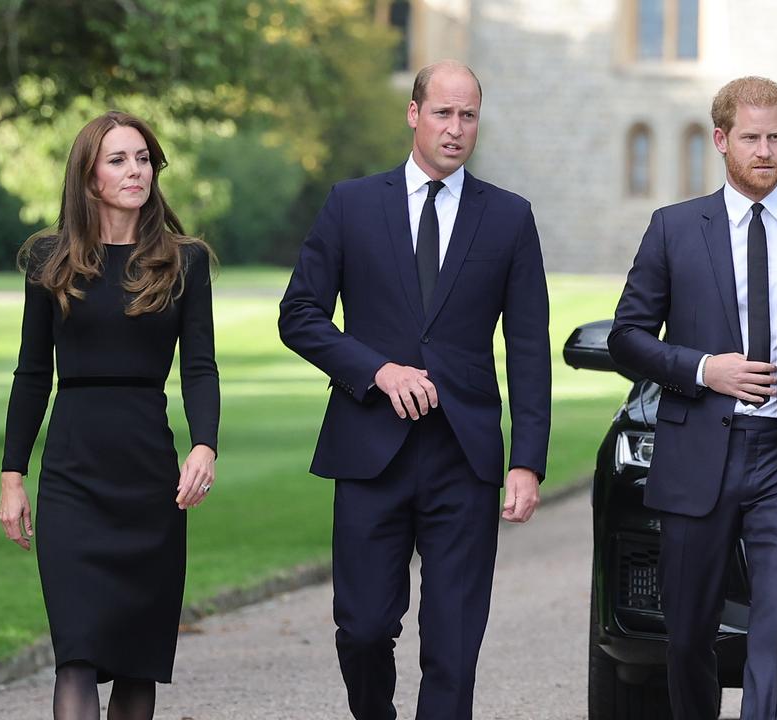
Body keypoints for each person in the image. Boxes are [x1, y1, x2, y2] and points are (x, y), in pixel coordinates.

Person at [277, 60, 551, 720]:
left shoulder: (510, 218)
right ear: (413, 113)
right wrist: (377, 371)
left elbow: (529, 346)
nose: (456, 129)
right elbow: (300, 314)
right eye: (443, 113)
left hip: (466, 458)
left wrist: (527, 460)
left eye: (468, 116)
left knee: (454, 647)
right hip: (370, 452)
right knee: (364, 628)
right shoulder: (351, 204)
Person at [607, 76, 777, 720]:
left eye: (776, 137)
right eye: (751, 138)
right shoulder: (673, 228)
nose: (764, 150)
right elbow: (627, 339)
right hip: (699, 451)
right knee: (690, 632)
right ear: (721, 140)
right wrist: (704, 369)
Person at [0, 111, 219, 720]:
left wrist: (205, 445)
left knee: (136, 658)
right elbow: (31, 373)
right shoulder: (49, 259)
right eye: (118, 160)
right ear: (88, 176)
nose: (136, 171)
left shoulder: (185, 261)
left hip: (149, 477)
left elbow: (200, 366)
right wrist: (12, 475)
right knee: (78, 654)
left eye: (143, 158)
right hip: (73, 474)